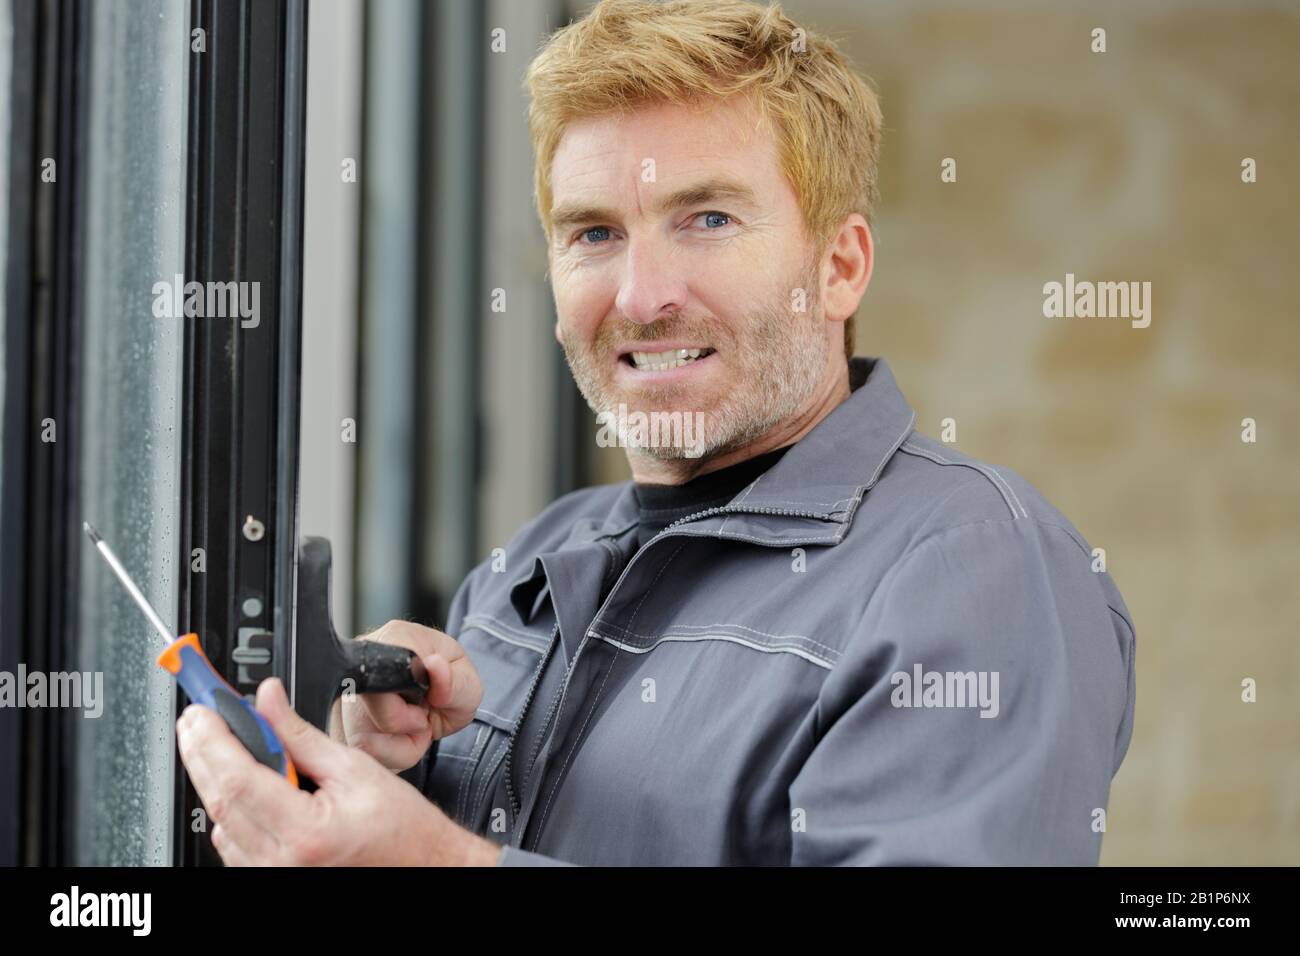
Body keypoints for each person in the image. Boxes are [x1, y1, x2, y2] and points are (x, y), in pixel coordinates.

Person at [176, 0, 1136, 866]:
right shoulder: (530, 567)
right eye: (593, 234)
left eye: (707, 218)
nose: (641, 297)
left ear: (840, 267)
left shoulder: (976, 567)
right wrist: (376, 778)